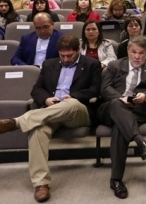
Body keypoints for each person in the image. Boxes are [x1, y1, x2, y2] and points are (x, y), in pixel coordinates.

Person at [0, 34, 102, 202]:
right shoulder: (49, 64)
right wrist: (46, 99)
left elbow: (95, 90)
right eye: (62, 55)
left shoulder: (91, 64)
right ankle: (41, 183)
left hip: (77, 111)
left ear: (78, 50)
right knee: (37, 128)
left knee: (72, 104)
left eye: (70, 55)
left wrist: (73, 96)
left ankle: (16, 122)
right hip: (51, 110)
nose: (66, 59)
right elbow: (36, 90)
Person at [98, 35, 146, 199]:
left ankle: (116, 180)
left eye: (141, 53)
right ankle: (141, 142)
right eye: (133, 52)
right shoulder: (114, 66)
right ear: (128, 50)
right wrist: (120, 98)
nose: (136, 56)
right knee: (116, 104)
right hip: (110, 108)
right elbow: (105, 89)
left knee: (120, 128)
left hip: (137, 110)